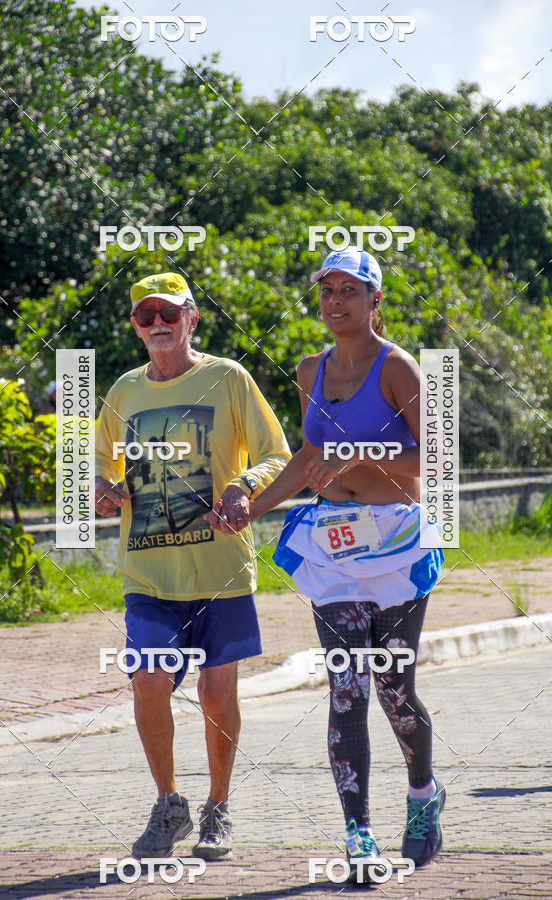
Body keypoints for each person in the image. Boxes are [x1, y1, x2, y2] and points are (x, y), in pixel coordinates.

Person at [209, 248, 445, 883]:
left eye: (350, 289)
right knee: (346, 686)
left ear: (375, 301)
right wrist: (251, 508)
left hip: (395, 541)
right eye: (327, 290)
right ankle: (358, 831)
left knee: (395, 688)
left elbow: (439, 467)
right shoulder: (310, 370)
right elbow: (307, 458)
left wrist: (357, 451)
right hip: (334, 545)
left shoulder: (401, 369)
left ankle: (423, 796)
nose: (336, 300)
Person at [94, 272, 290, 861]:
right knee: (148, 681)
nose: (157, 323)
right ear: (135, 326)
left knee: (215, 692)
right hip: (148, 574)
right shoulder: (122, 392)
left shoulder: (228, 378)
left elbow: (279, 452)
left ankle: (219, 807)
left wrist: (244, 487)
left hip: (221, 571)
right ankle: (168, 803)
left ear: (192, 319)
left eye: (169, 314)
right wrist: (100, 485)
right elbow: (92, 461)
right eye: (145, 315)